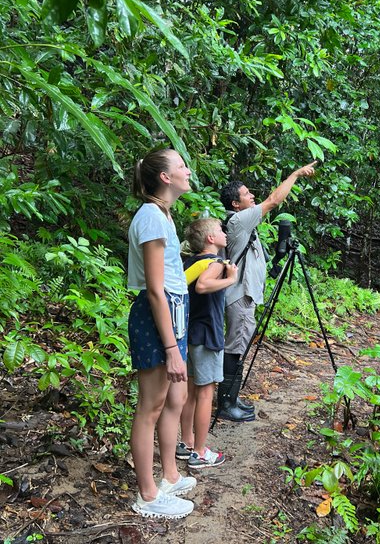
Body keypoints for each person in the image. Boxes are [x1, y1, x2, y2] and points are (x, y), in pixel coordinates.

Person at [218, 161, 317, 421]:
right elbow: (274, 200)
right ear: (235, 204)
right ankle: (226, 404)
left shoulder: (242, 221)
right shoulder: (239, 220)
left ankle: (232, 397)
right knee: (236, 348)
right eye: (246, 194)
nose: (252, 196)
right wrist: (295, 173)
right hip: (239, 297)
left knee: (239, 346)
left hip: (243, 296)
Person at [127, 148, 197, 519]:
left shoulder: (162, 214)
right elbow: (155, 289)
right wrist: (171, 347)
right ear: (166, 178)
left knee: (175, 398)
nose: (188, 171)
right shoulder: (151, 217)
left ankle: (168, 475)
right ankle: (148, 495)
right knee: (150, 407)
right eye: (182, 166)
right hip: (159, 317)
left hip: (173, 313)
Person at [176, 218, 238, 468]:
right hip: (207, 335)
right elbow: (203, 286)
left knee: (192, 391)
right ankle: (200, 452)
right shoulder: (215, 262)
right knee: (205, 393)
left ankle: (187, 442)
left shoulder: (191, 262)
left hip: (189, 334)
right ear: (210, 239)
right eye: (220, 230)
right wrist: (231, 280)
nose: (225, 233)